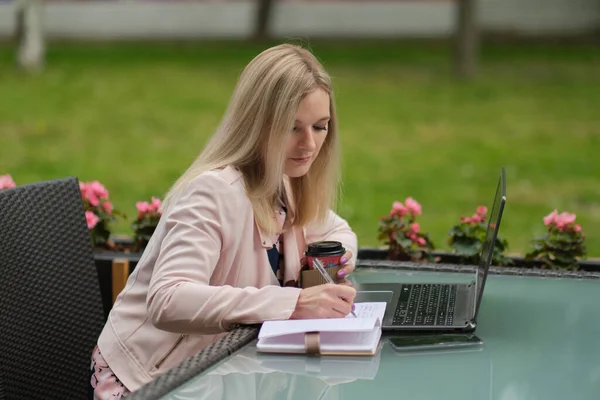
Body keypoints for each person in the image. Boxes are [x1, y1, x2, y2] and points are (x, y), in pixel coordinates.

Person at [89, 43, 358, 400]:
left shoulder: (285, 182)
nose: (309, 144)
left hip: (220, 376)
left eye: (320, 127)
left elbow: (339, 232)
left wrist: (333, 262)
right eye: (292, 128)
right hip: (148, 381)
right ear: (258, 124)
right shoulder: (212, 192)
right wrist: (291, 303)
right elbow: (168, 299)